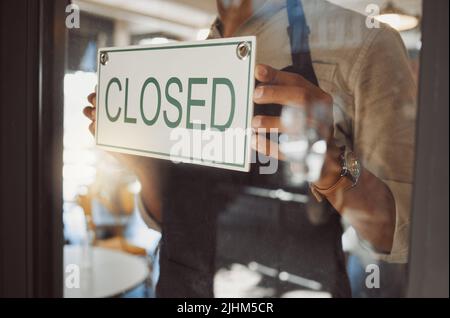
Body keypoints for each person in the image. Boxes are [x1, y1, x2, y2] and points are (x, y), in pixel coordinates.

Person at [83, 0, 416, 297]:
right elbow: (172, 217)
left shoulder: (364, 44)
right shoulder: (186, 64)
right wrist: (143, 165)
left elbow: (400, 236)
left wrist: (330, 167)